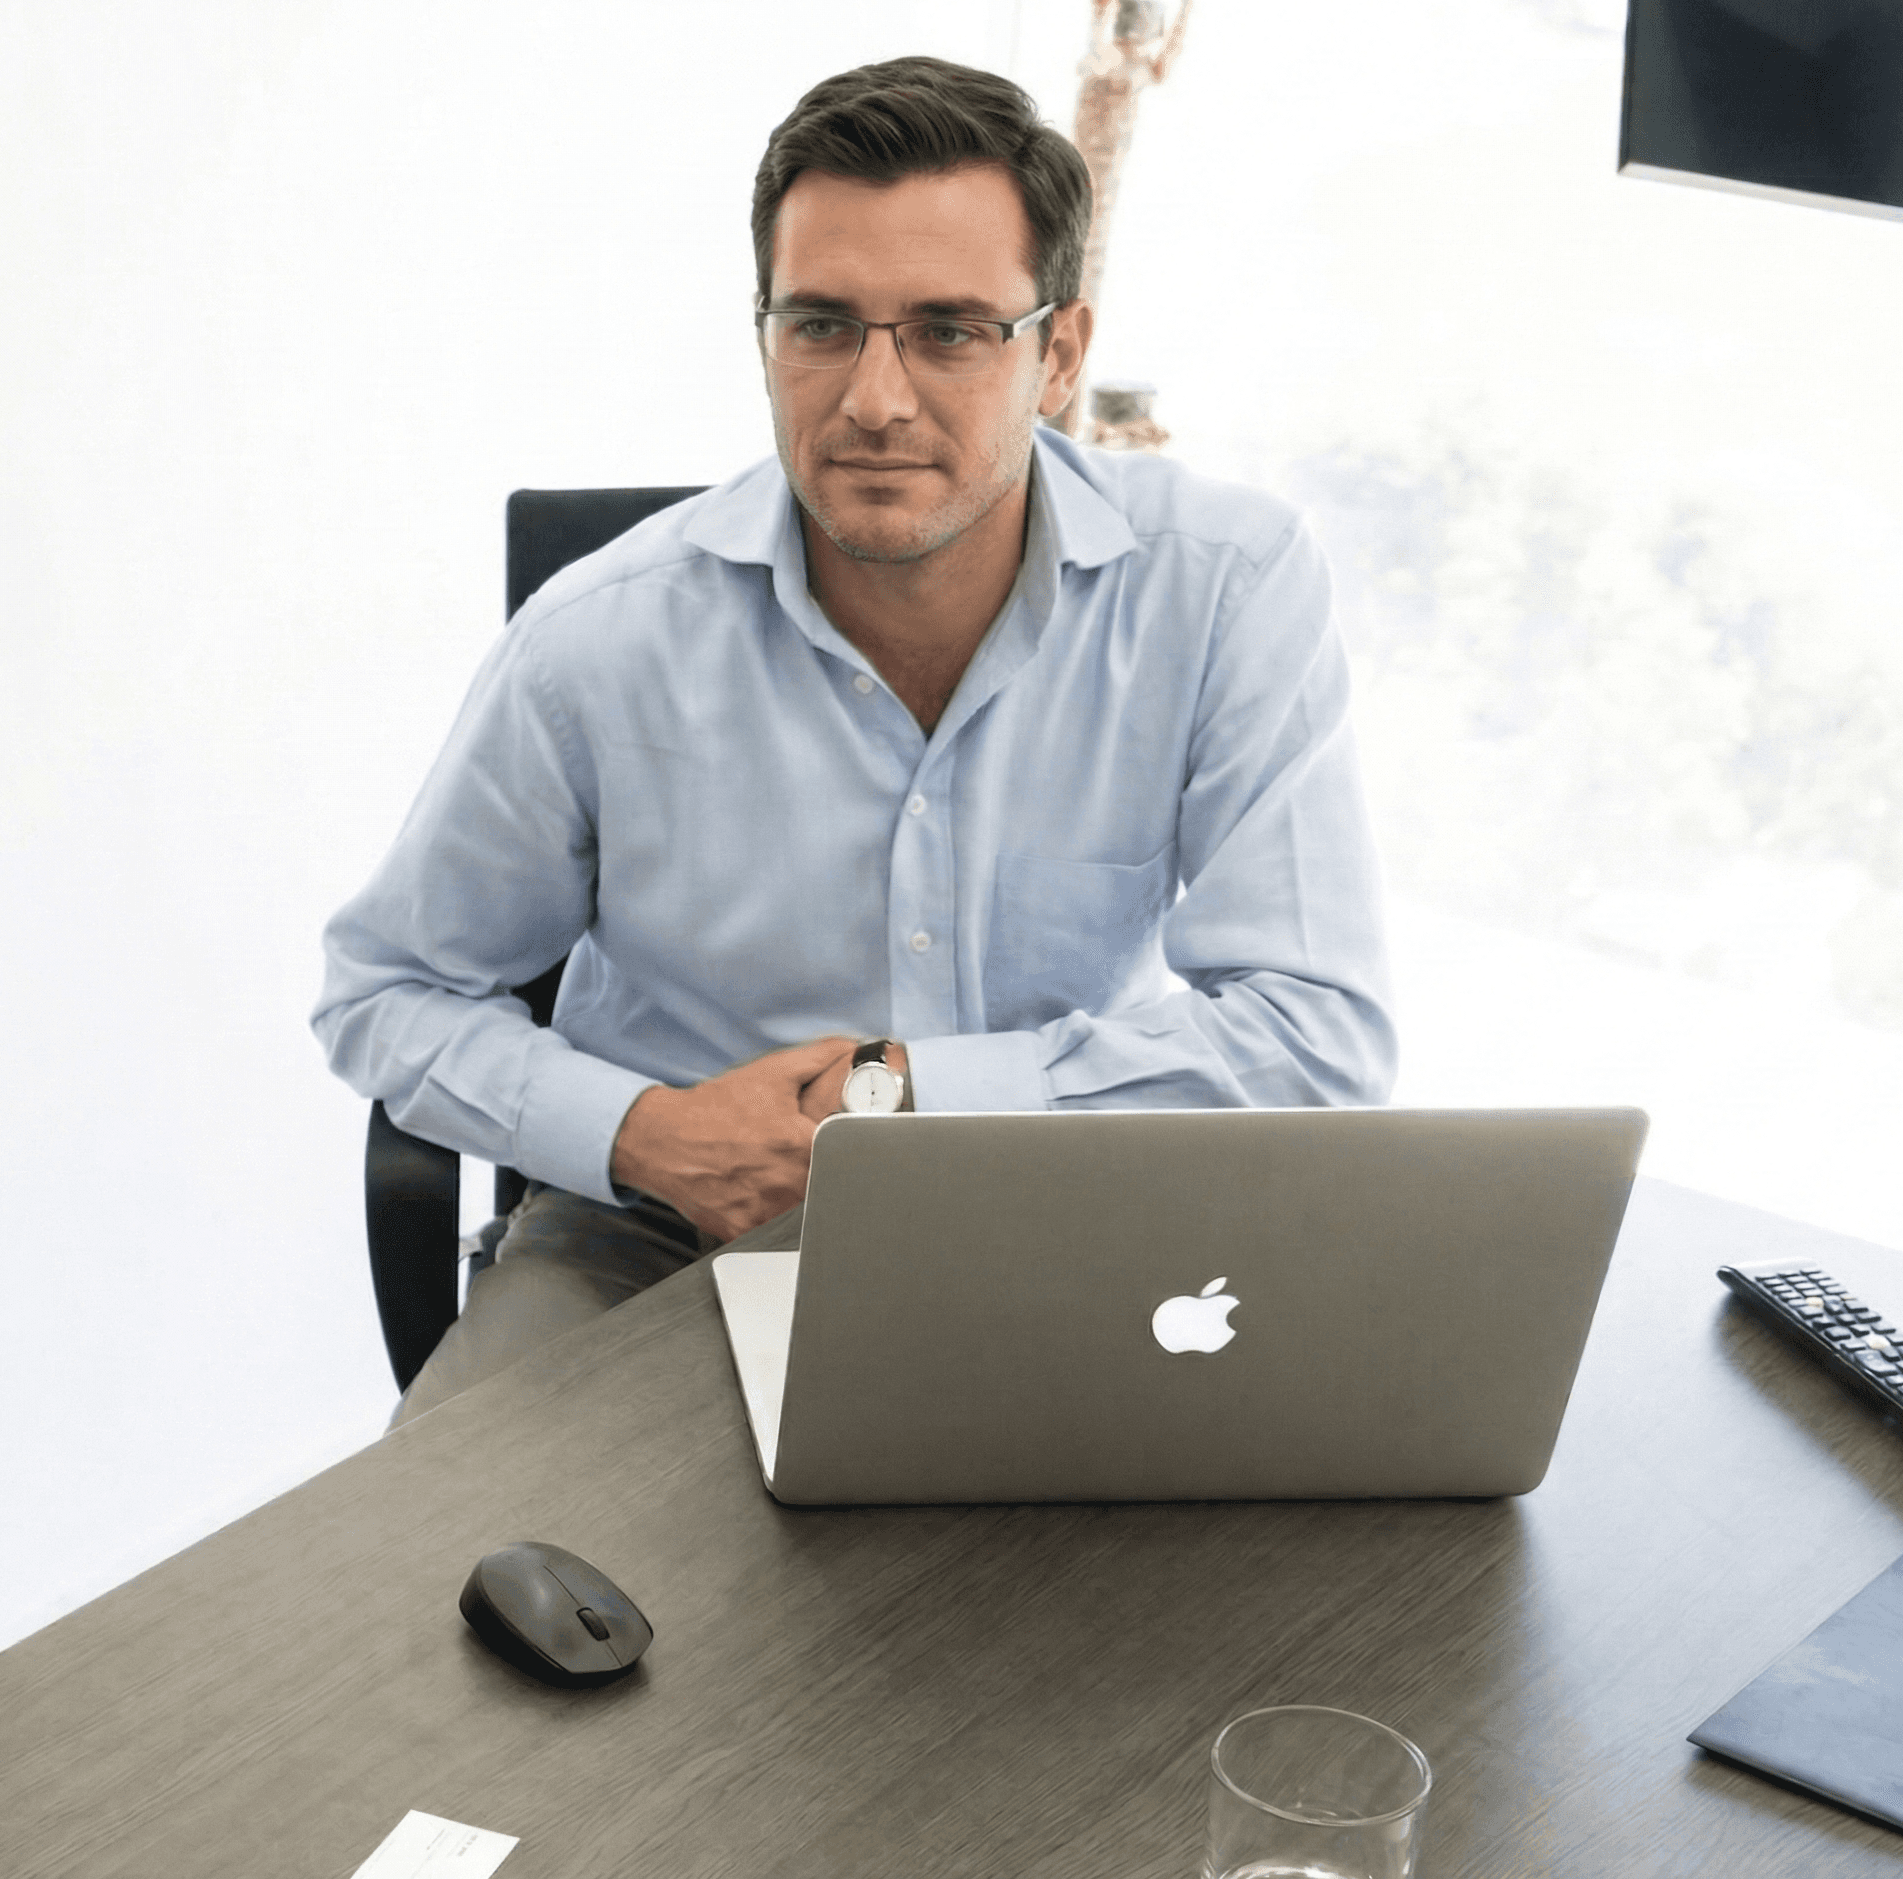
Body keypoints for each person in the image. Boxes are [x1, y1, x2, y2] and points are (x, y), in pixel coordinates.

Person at [313, 55, 1397, 1426]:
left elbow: (1316, 1038)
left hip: (1074, 1206)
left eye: (950, 331)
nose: (875, 399)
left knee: (1262, 1551)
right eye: (823, 325)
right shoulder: (597, 636)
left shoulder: (1226, 587)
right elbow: (386, 992)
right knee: (452, 1544)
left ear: (1058, 355)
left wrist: (903, 1101)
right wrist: (645, 1136)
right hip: (662, 1228)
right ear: (765, 336)